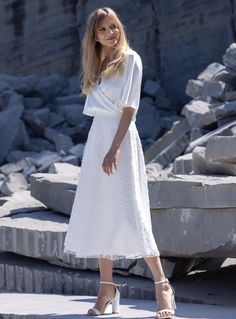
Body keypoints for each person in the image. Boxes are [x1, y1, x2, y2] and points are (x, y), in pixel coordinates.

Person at [63, 7, 176, 319]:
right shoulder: (98, 63)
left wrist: (114, 149)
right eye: (103, 30)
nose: (111, 33)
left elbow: (129, 109)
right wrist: (104, 147)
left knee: (132, 208)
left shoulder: (131, 59)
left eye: (114, 27)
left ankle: (162, 284)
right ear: (95, 37)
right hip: (98, 137)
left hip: (120, 141)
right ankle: (106, 288)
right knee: (101, 208)